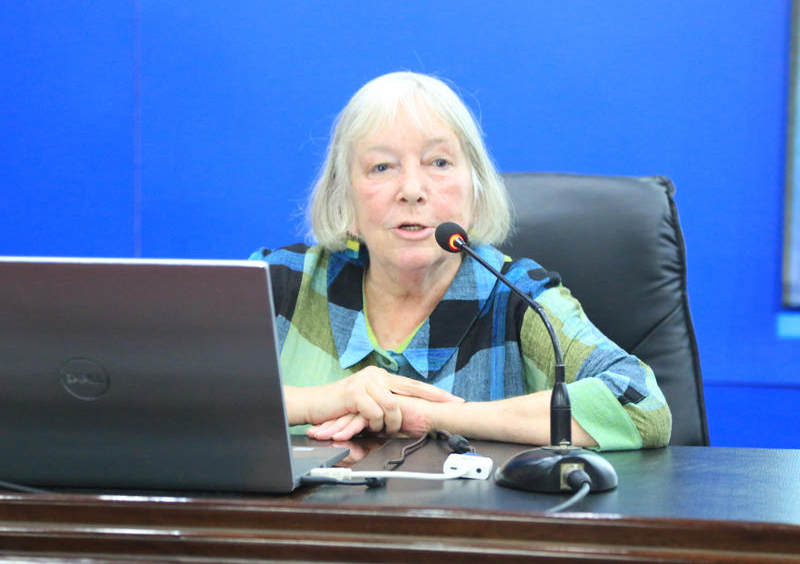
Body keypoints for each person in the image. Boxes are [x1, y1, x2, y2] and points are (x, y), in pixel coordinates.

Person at [250, 72, 671, 450]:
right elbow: (203, 393)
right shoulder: (279, 283)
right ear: (345, 197)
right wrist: (316, 401)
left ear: (476, 190)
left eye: (439, 162)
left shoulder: (518, 299)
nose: (412, 190)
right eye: (381, 166)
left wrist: (430, 415)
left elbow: (642, 406)